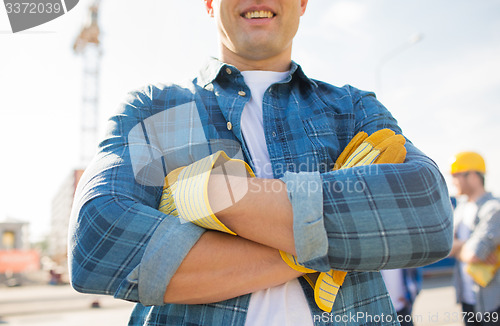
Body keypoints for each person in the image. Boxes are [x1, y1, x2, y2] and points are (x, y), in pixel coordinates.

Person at [68, 1, 453, 325]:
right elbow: (97, 240)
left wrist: (218, 196)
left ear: (302, 3)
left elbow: (429, 214)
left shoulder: (351, 109)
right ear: (208, 3)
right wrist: (341, 240)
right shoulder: (157, 108)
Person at [449, 151, 500, 326]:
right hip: (467, 299)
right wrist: (466, 246)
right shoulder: (461, 209)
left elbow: (474, 255)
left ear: (472, 175)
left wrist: (456, 247)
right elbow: (444, 246)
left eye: (456, 175)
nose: (453, 181)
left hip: (492, 303)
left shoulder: (494, 209)